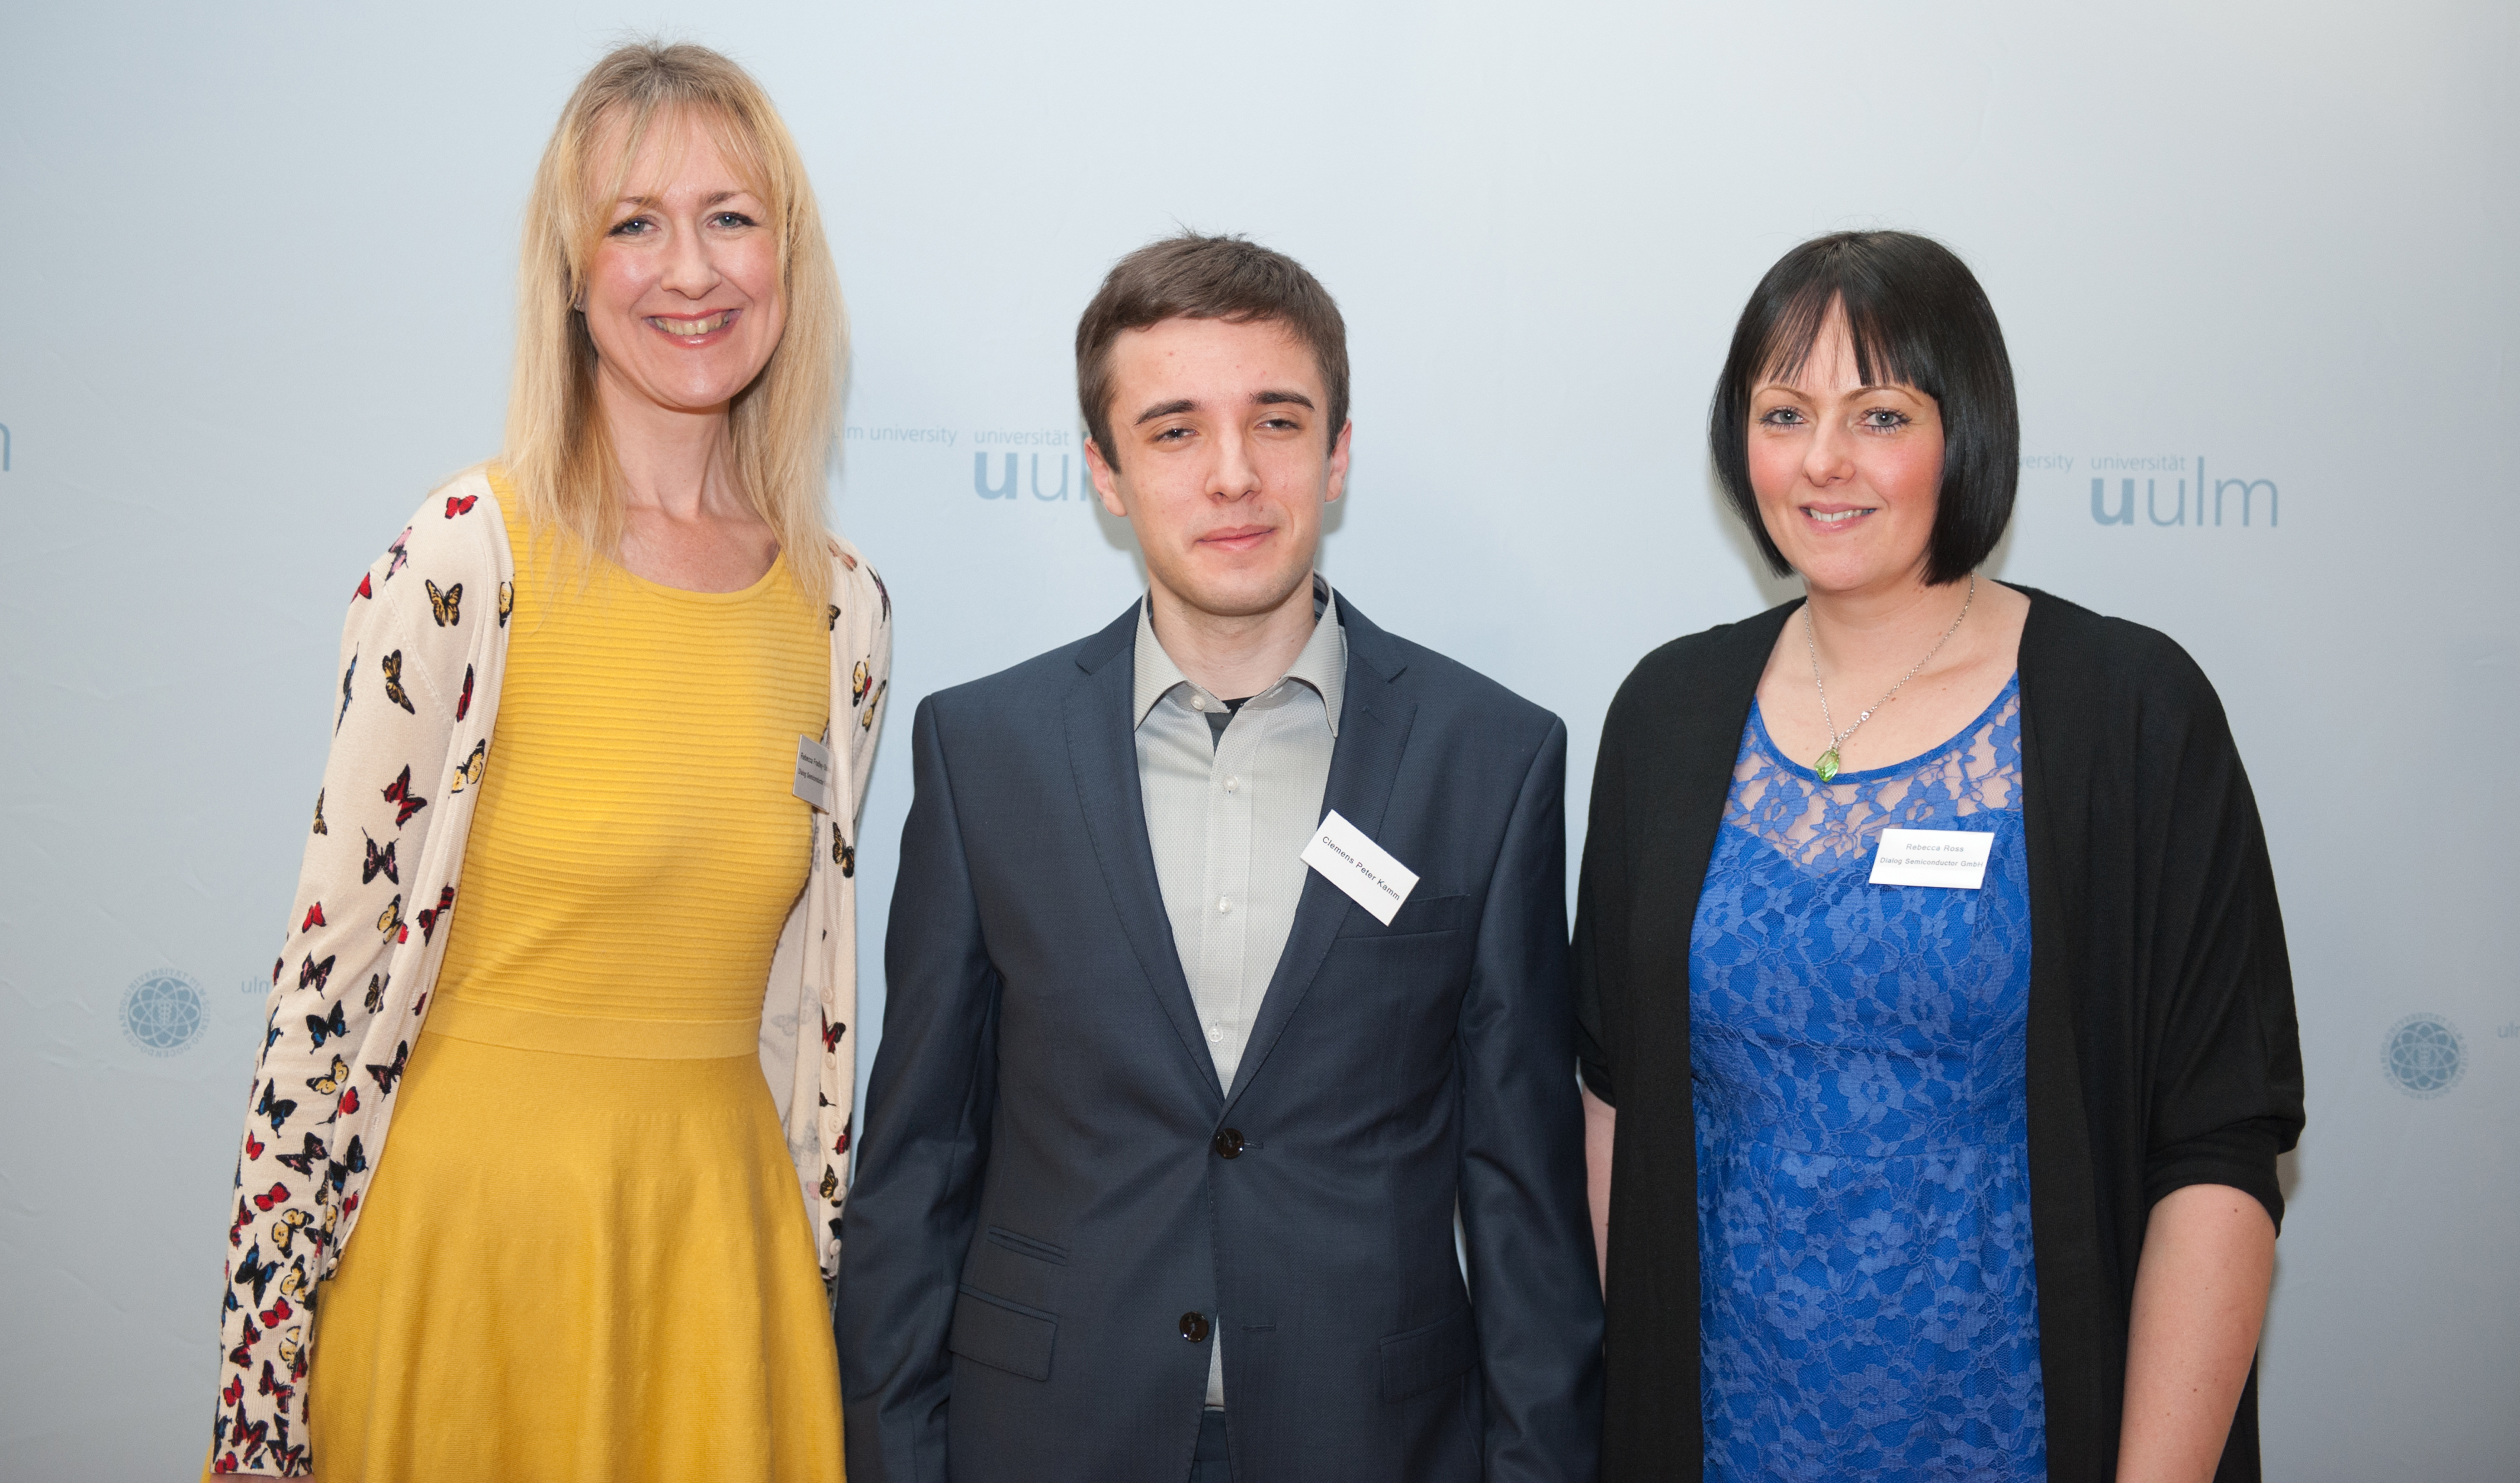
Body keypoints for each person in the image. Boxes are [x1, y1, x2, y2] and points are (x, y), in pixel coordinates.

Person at [202, 42, 889, 1480]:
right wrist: (259, 1403)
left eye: (731, 216)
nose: (689, 269)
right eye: (633, 224)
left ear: (789, 257)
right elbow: (319, 1003)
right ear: (572, 278)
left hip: (721, 1268)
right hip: (472, 1259)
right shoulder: (469, 554)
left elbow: (801, 1012)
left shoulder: (844, 612)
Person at [834, 233, 1603, 1483]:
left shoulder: (1491, 758)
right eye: (1176, 430)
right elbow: (921, 1156)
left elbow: (1522, 1193)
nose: (1234, 475)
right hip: (1045, 1434)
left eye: (1278, 422)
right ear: (1106, 472)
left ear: (1339, 451)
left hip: (1375, 1436)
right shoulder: (984, 753)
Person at [1569, 230, 2304, 1483]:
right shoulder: (1667, 712)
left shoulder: (2127, 711)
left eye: (1881, 414)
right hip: (1726, 1438)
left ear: (1965, 432)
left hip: (2023, 1435)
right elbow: (1612, 1094)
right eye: (1784, 411)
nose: (1822, 462)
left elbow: (2218, 1147)